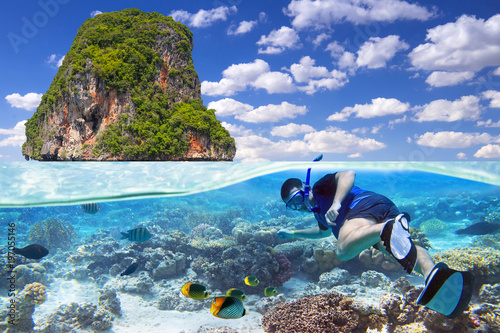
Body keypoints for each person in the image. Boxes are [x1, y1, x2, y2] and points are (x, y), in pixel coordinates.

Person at [277, 169, 474, 319]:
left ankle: (385, 228)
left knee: (344, 251)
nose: (298, 207)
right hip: (383, 208)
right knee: (399, 250)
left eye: (296, 200)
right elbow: (322, 232)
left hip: (362, 205)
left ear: (306, 187)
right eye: (291, 206)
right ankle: (433, 274)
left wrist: (337, 203)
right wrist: (293, 233)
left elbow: (347, 174)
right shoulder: (318, 211)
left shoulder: (320, 187)